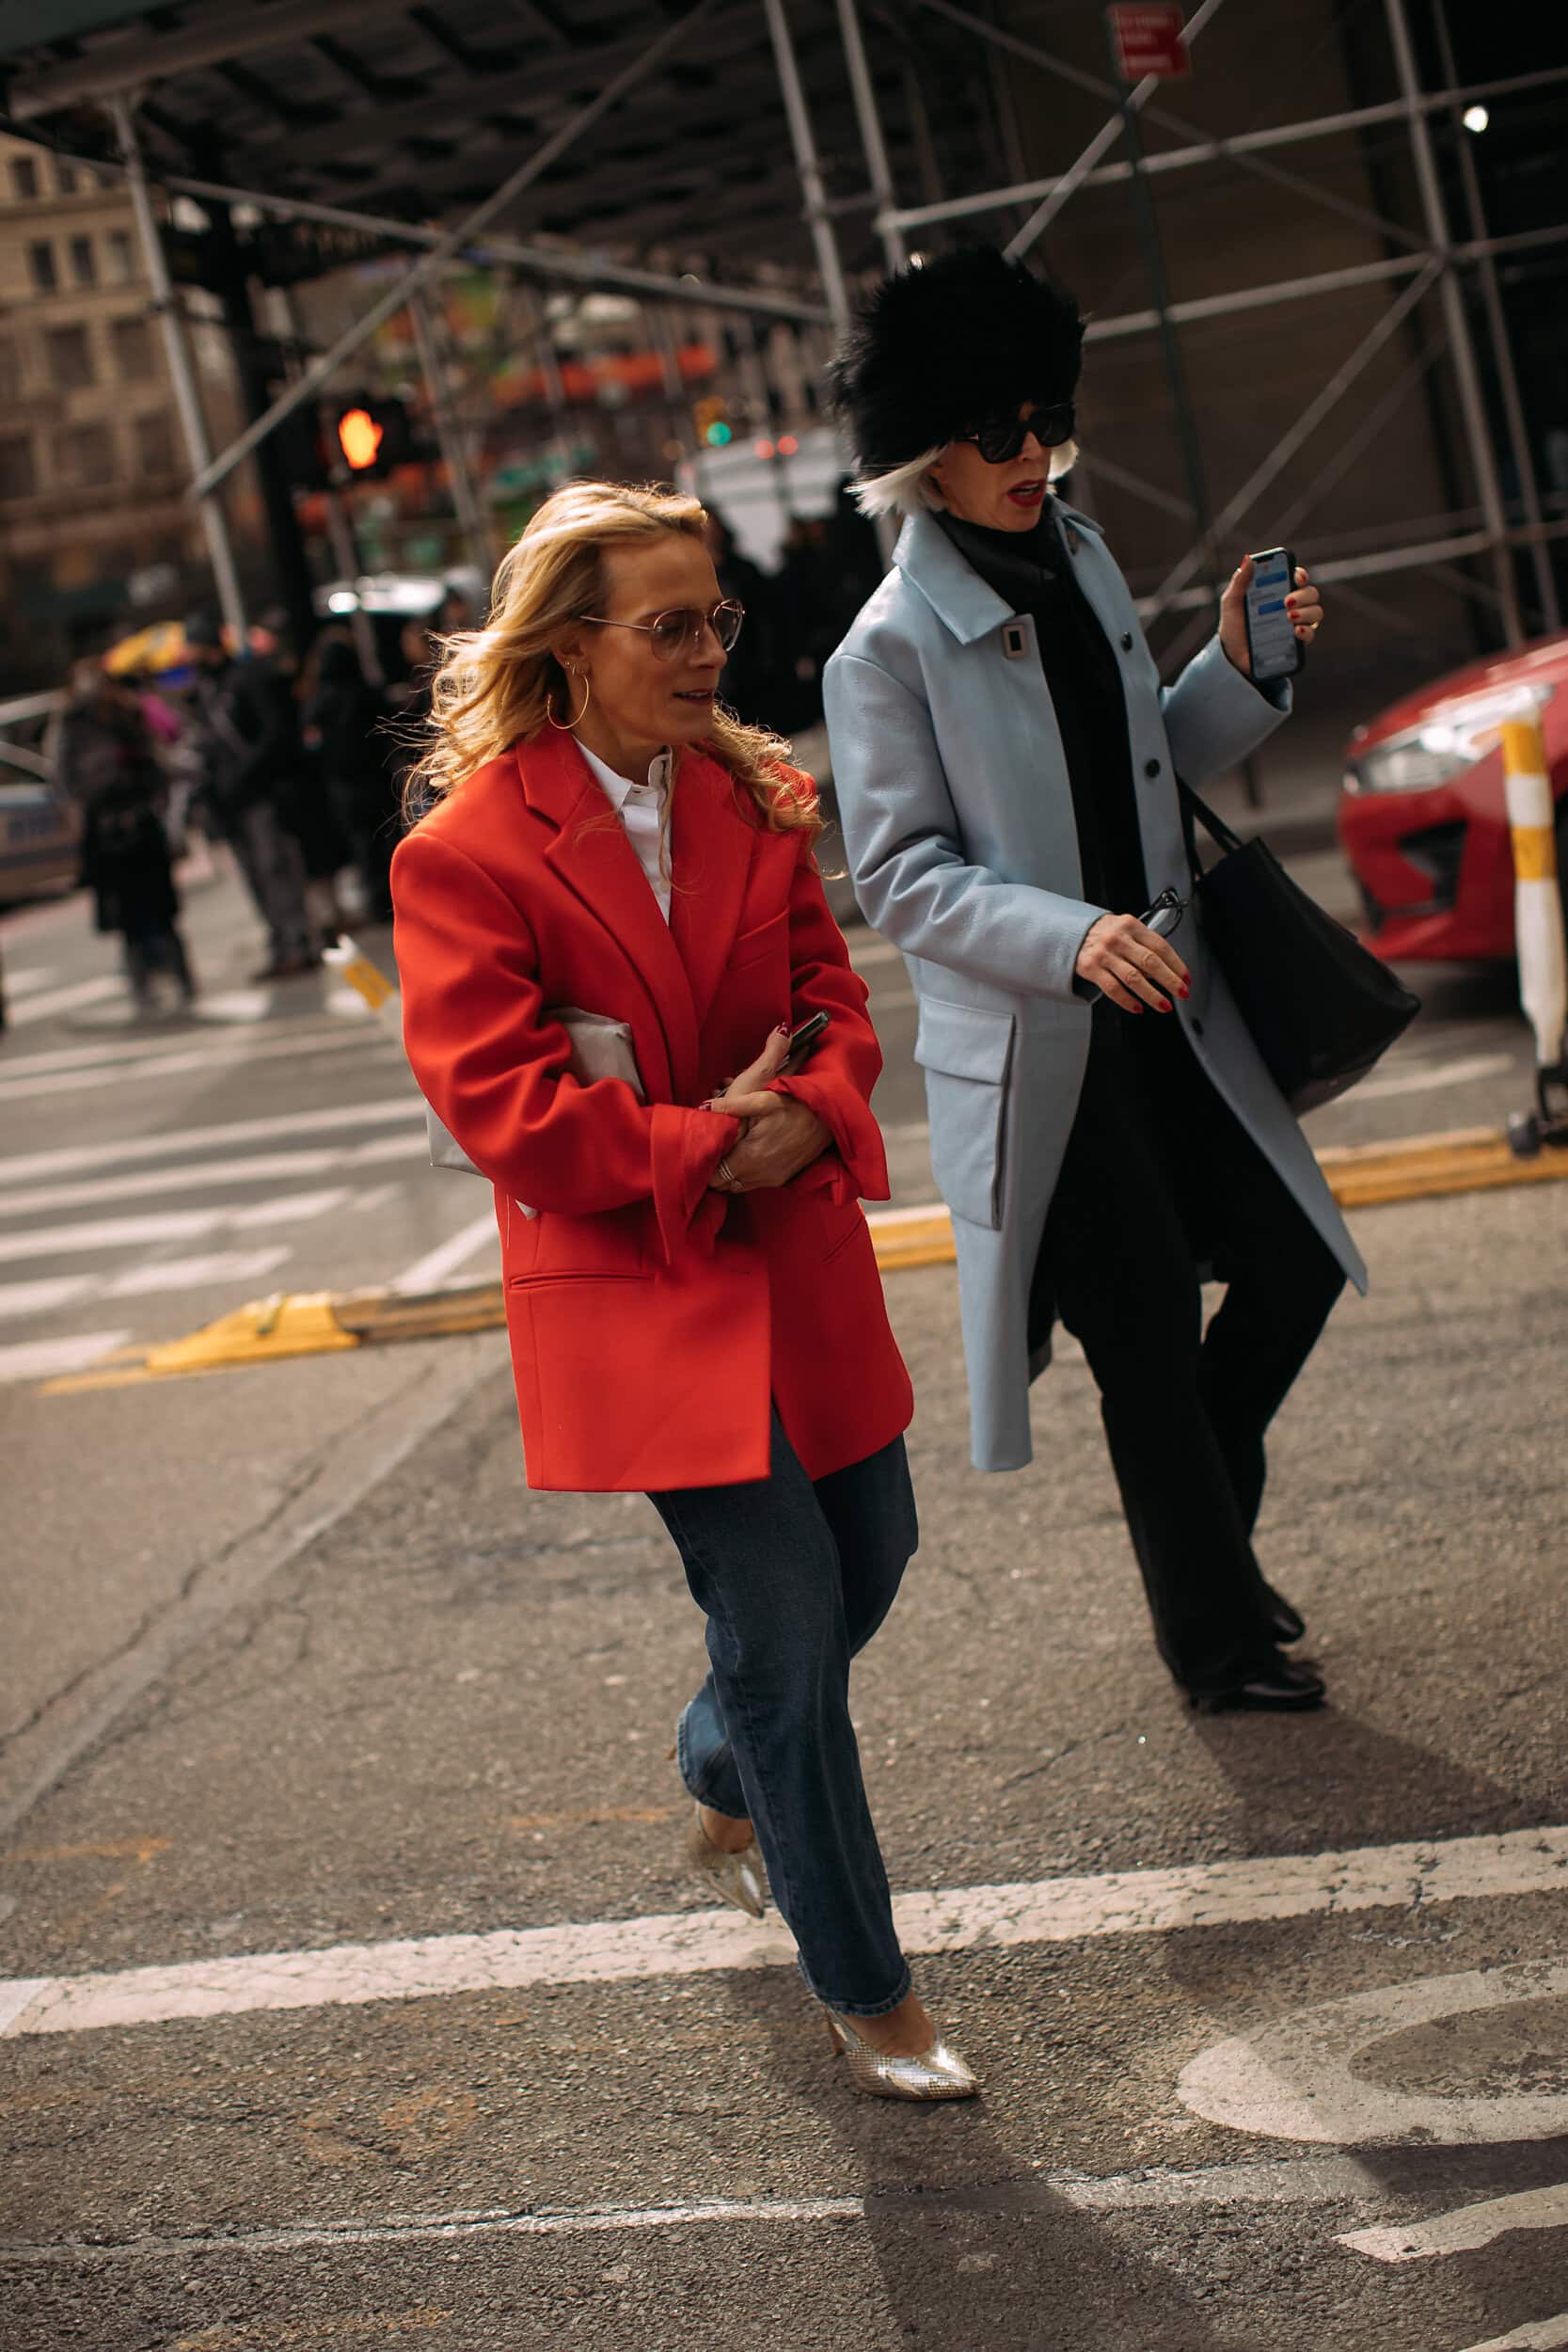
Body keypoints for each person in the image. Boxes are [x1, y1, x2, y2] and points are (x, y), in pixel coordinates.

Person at [392, 480, 976, 2100]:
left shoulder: (756, 796)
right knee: (786, 1630)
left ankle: (720, 1766)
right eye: (668, 625)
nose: (707, 649)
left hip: (796, 1262)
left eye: (713, 616)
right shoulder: (467, 856)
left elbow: (831, 999)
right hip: (644, 1298)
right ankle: (872, 1997)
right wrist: (695, 1147)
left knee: (875, 1555)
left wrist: (815, 1108)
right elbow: (497, 1105)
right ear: (570, 650)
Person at [823, 246, 1365, 1716]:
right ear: (921, 451)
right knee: (1139, 1344)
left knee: (1294, 1265)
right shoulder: (879, 654)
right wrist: (1063, 936)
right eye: (997, 433)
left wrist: (1242, 671)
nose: (1031, 458)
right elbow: (900, 878)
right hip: (1046, 1050)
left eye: (1046, 424)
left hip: (1169, 1015)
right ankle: (1215, 1638)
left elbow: (1142, 770)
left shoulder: (1079, 555)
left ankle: (1205, 1552)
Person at [183, 612, 318, 981]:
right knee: (255, 874)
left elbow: (272, 732)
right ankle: (280, 941)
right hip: (230, 799)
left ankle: (296, 942)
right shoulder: (205, 691)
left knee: (275, 867)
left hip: (258, 791)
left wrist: (245, 774)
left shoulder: (244, 679)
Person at [55, 658, 195, 1010]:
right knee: (127, 913)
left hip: (141, 820)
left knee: (161, 908)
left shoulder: (127, 716)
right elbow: (66, 779)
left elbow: (155, 762)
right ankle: (142, 980)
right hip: (106, 829)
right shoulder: (72, 725)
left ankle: (179, 974)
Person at [303, 635, 398, 924]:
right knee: (387, 839)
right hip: (377, 779)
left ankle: (377, 901)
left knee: (363, 845)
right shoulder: (367, 693)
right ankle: (394, 896)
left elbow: (311, 744)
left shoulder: (319, 703)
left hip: (345, 786)